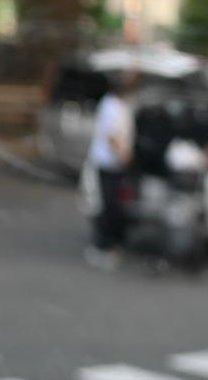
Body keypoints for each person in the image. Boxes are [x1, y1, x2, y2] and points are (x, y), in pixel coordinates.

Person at [84, 70, 138, 270]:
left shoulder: (121, 105)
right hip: (108, 164)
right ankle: (102, 248)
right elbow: (112, 137)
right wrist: (126, 157)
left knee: (115, 206)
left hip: (114, 165)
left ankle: (113, 244)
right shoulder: (112, 106)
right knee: (109, 207)